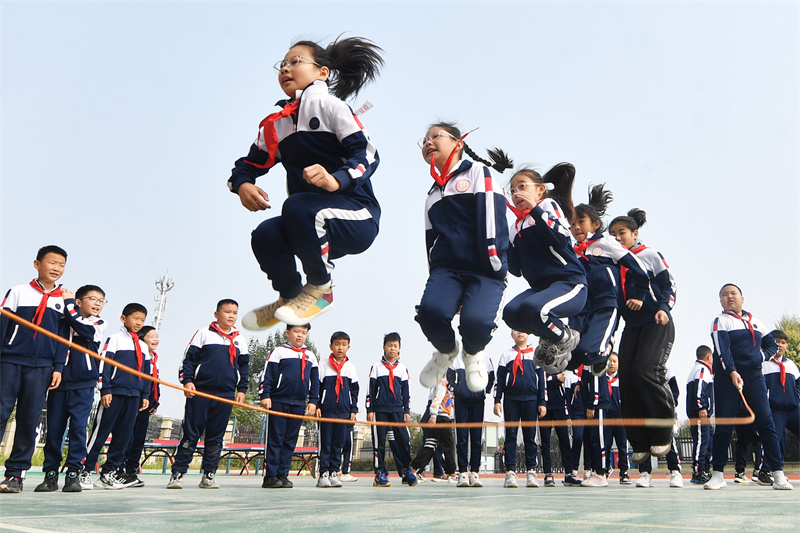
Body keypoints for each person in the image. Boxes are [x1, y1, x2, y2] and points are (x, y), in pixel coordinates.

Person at [232, 37, 384, 329]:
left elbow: (367, 154)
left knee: (297, 205)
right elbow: (246, 165)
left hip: (356, 216)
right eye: (282, 65)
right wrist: (243, 184)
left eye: (295, 61)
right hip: (307, 224)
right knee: (265, 234)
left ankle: (321, 289)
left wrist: (335, 180)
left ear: (322, 73)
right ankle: (289, 296)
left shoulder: (331, 107)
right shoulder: (276, 124)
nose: (285, 69)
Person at [415, 123, 511, 393]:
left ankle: (472, 352)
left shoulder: (478, 172)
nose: (428, 142)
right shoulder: (432, 193)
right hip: (447, 271)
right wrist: (435, 277)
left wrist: (495, 261)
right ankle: (445, 352)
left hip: (485, 268)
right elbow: (430, 240)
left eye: (436, 136)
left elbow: (492, 216)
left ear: (457, 144)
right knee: (430, 313)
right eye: (424, 140)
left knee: (476, 322)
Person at [705, 283, 792, 490]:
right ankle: (717, 474)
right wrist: (733, 371)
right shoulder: (720, 321)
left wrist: (760, 357)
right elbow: (722, 352)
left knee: (766, 423)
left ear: (742, 298)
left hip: (754, 378)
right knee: (725, 425)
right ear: (721, 302)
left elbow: (772, 345)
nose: (729, 297)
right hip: (727, 378)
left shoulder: (756, 322)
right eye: (724, 295)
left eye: (733, 293)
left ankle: (778, 474)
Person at [503, 164, 586, 375]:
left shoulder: (547, 205)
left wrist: (536, 210)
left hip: (570, 283)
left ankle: (564, 336)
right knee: (511, 313)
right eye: (512, 190)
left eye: (522, 186)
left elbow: (560, 239)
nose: (516, 193)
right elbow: (516, 269)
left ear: (540, 189)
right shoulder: (515, 227)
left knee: (534, 308)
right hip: (541, 290)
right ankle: (551, 336)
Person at [609, 209, 676, 464]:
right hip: (632, 326)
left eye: (621, 233)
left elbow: (669, 284)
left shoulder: (649, 255)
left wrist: (663, 307)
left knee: (644, 371)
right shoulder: (613, 263)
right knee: (626, 377)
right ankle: (639, 441)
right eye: (612, 235)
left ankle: (662, 429)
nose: (617, 239)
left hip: (656, 321)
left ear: (635, 234)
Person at [0, 245, 69, 494]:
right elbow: (3, 325)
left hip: (42, 367)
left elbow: (64, 338)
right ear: (37, 264)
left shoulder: (64, 301)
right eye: (52, 263)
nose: (56, 268)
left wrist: (58, 367)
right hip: (10, 361)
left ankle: (15, 475)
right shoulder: (18, 292)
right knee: (0, 411)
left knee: (29, 420)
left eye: (61, 265)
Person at [167, 299, 249, 490]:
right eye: (227, 312)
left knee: (216, 436)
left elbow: (244, 368)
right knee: (191, 434)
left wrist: (242, 390)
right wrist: (187, 381)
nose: (231, 316)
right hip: (200, 392)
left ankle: (209, 475)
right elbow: (188, 360)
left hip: (225, 395)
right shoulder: (203, 334)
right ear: (216, 314)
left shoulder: (240, 340)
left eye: (234, 313)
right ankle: (178, 474)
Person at [569, 184, 648, 376]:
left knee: (589, 352)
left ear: (595, 225)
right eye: (572, 224)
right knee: (571, 357)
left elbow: (638, 267)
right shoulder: (572, 251)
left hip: (605, 303)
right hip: (580, 306)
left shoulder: (606, 243)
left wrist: (640, 295)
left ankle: (605, 349)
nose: (576, 227)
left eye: (581, 221)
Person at [34, 284, 106, 493]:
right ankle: (50, 474)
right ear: (79, 301)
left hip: (84, 384)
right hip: (58, 382)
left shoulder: (98, 322)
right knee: (54, 430)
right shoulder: (64, 320)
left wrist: (67, 303)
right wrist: (66, 306)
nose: (97, 304)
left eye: (101, 301)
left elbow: (84, 329)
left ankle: (73, 473)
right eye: (92, 299)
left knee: (78, 429)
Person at [83, 303, 151, 490]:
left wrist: (144, 394)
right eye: (135, 318)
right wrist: (105, 390)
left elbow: (146, 373)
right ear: (124, 318)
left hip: (134, 396)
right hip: (114, 394)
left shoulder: (143, 347)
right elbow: (105, 365)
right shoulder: (115, 339)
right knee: (101, 433)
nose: (138, 323)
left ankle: (108, 473)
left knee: (123, 437)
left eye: (142, 320)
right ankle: (85, 471)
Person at [260, 324, 318, 489]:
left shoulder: (310, 356)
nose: (300, 336)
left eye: (304, 333)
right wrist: (265, 395)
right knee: (275, 439)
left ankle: (282, 474)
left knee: (290, 441)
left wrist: (313, 401)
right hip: (278, 401)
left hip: (299, 404)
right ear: (288, 333)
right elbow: (268, 375)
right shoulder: (278, 352)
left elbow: (315, 383)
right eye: (296, 331)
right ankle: (270, 475)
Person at [494, 330, 546, 488]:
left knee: (530, 437)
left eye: (523, 330)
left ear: (529, 333)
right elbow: (500, 380)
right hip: (511, 400)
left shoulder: (535, 354)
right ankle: (510, 472)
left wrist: (542, 401)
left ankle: (531, 471)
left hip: (531, 399)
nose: (520, 333)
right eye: (516, 330)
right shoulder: (506, 355)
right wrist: (497, 400)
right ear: (511, 335)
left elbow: (542, 380)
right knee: (510, 436)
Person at [366, 332, 413, 487]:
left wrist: (407, 410)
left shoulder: (402, 368)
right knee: (379, 442)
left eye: (395, 346)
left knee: (403, 440)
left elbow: (406, 391)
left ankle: (407, 470)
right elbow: (371, 390)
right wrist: (370, 409)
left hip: (398, 410)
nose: (392, 349)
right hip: (380, 410)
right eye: (389, 345)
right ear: (384, 347)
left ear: (399, 348)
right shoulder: (377, 367)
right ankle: (380, 473)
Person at [118, 325, 160, 488]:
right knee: (126, 438)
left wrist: (154, 402)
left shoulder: (154, 359)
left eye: (156, 336)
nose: (155, 339)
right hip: (134, 404)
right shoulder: (139, 358)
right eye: (151, 336)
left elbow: (154, 384)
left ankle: (132, 471)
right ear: (142, 339)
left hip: (146, 407)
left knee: (138, 441)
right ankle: (119, 470)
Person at [316, 331, 359, 488]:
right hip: (327, 411)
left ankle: (334, 472)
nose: (340, 348)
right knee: (325, 443)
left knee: (338, 444)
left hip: (344, 412)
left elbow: (354, 390)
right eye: (337, 344)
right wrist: (317, 405)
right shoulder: (323, 365)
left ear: (348, 347)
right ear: (331, 346)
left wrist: (353, 409)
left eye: (344, 344)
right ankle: (323, 474)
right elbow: (317, 388)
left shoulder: (350, 367)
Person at [447, 351, 495, 487]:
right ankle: (462, 472)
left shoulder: (485, 357)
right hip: (461, 402)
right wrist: (457, 390)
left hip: (478, 402)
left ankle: (474, 472)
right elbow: (449, 377)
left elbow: (492, 377)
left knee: (476, 438)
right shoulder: (456, 357)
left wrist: (483, 391)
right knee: (462, 438)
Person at [636, 366, 683, 488]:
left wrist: (669, 406)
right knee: (644, 443)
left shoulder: (665, 365)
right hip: (644, 411)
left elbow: (674, 390)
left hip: (663, 412)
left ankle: (675, 472)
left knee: (668, 441)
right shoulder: (637, 365)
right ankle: (645, 474)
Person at [410, 378, 457, 484]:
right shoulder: (442, 383)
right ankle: (452, 474)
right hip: (441, 418)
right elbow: (436, 399)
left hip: (438, 417)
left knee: (429, 446)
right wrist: (434, 415)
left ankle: (412, 469)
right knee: (449, 447)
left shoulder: (444, 384)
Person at [763, 329, 800, 464]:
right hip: (775, 410)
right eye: (777, 342)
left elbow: (798, 383)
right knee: (774, 440)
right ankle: (765, 470)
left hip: (794, 409)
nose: (780, 345)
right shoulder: (764, 365)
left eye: (783, 342)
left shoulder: (790, 364)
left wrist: (796, 396)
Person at [539, 370, 574, 487]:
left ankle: (569, 473)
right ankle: (548, 473)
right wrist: (555, 379)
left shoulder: (560, 361)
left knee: (564, 440)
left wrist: (568, 413)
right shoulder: (540, 360)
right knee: (545, 441)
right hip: (544, 405)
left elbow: (564, 378)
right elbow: (541, 382)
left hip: (559, 405)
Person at [687, 345, 714, 484]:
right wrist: (702, 406)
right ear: (709, 357)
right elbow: (699, 388)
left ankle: (705, 469)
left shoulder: (701, 370)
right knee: (701, 442)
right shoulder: (701, 369)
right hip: (699, 414)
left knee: (708, 441)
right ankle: (698, 471)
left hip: (704, 415)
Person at [581, 361, 610, 487]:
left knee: (599, 439)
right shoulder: (586, 359)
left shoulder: (595, 358)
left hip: (598, 406)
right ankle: (595, 470)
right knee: (592, 439)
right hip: (591, 405)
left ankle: (601, 472)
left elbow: (596, 381)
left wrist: (593, 403)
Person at [603, 353, 629, 485]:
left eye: (614, 361)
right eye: (609, 361)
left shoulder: (623, 380)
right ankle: (606, 468)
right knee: (606, 445)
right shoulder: (601, 379)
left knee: (622, 446)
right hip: (606, 419)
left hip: (620, 419)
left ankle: (624, 472)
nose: (612, 364)